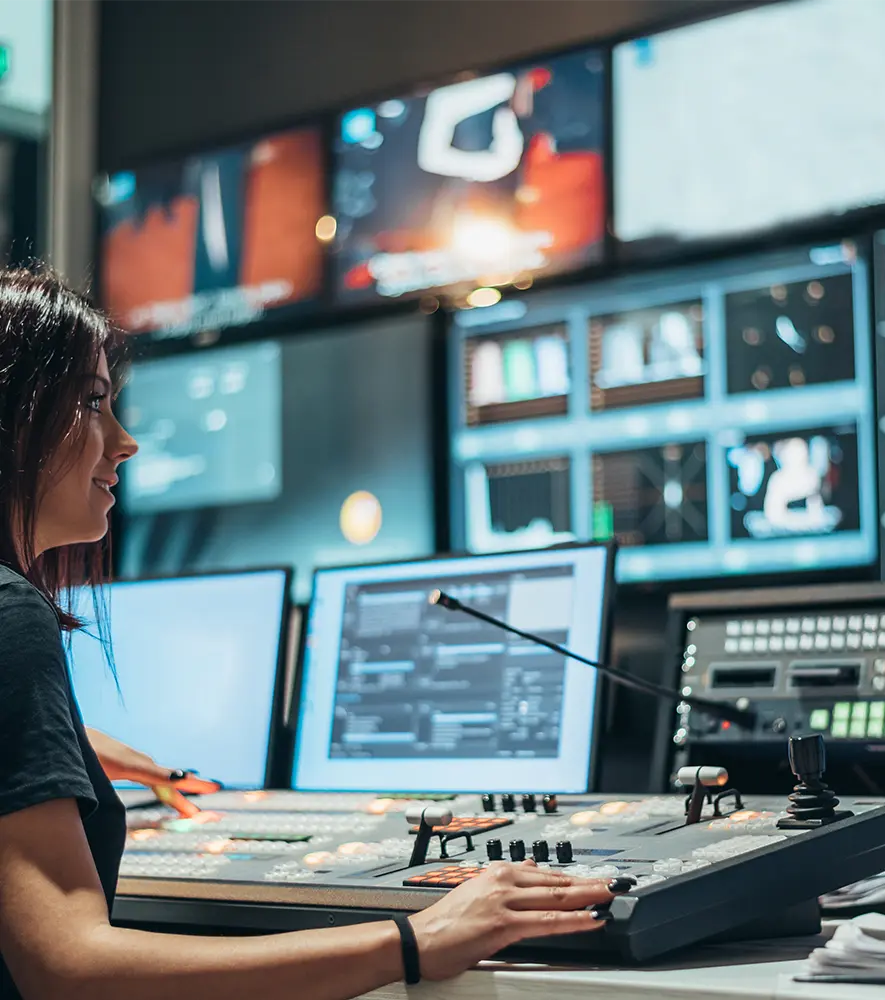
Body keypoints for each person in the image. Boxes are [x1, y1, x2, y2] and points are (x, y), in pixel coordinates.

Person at [0, 267, 619, 1000]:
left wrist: (62, 749)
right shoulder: (13, 617)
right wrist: (420, 940)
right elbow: (70, 966)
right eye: (93, 403)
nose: (125, 442)